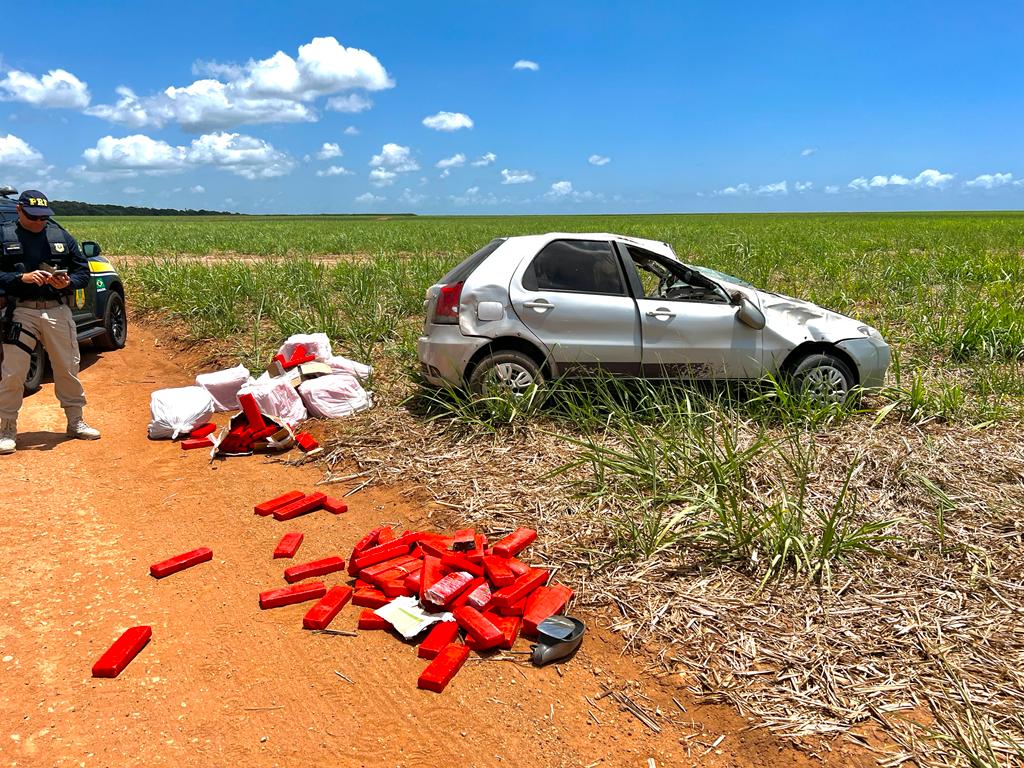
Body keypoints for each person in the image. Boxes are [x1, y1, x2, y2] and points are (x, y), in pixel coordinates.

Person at [0, 189, 100, 454]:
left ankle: (75, 422)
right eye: (34, 217)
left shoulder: (60, 235)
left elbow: (82, 272)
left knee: (67, 367)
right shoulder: (4, 235)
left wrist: (68, 282)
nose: (40, 222)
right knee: (13, 372)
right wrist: (20, 279)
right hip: (21, 311)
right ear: (20, 211)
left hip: (57, 309)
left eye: (44, 217)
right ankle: (7, 428)